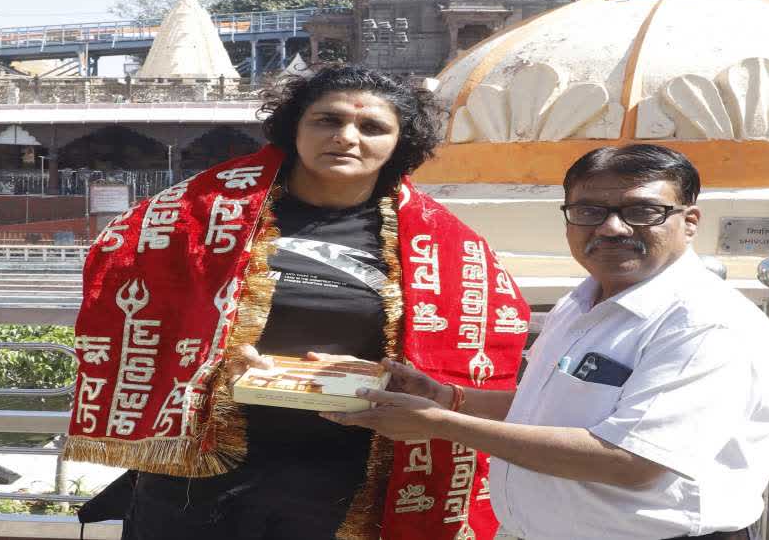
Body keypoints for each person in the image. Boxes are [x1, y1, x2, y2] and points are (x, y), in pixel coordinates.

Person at [67, 65, 532, 540]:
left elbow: (468, 353)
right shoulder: (201, 216)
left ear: (399, 143)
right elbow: (131, 302)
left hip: (346, 478)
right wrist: (212, 360)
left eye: (372, 127)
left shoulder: (445, 247)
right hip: (199, 469)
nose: (347, 137)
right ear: (295, 128)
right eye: (327, 120)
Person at [326, 145, 769, 540]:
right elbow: (548, 410)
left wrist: (441, 423)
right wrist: (449, 397)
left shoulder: (705, 325)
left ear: (689, 222)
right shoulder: (585, 302)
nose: (611, 228)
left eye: (642, 211)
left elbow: (632, 461)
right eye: (589, 211)